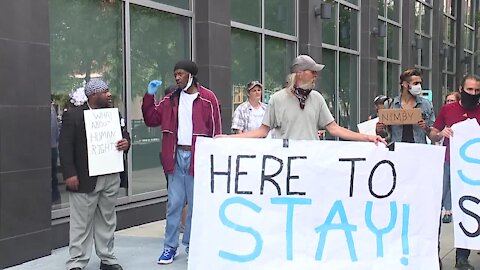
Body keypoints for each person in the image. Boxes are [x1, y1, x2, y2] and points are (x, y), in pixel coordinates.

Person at [142, 60, 222, 264]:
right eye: (175, 74)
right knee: (174, 204)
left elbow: (215, 130)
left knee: (197, 205)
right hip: (175, 156)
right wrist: (149, 96)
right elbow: (151, 119)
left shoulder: (208, 99)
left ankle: (191, 245)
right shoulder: (170, 100)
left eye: (180, 74)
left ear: (191, 76)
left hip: (198, 157)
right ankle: (169, 247)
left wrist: (214, 158)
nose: (177, 78)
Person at [220, 54, 384, 143]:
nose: (315, 75)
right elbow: (262, 131)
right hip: (286, 163)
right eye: (312, 71)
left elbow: (334, 129)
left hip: (310, 163)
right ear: (299, 73)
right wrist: (229, 138)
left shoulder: (317, 98)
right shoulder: (277, 99)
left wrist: (367, 137)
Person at [59, 79, 130, 270]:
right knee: (81, 223)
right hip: (84, 178)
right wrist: (70, 174)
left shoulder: (113, 114)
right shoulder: (73, 116)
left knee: (107, 220)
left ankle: (107, 259)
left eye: (108, 91)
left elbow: (125, 135)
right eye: (104, 91)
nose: (109, 94)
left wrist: (126, 143)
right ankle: (77, 262)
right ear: (93, 95)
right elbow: (65, 147)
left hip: (110, 176)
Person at [429, 74, 480, 270]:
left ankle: (462, 257)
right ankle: (434, 252)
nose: (473, 94)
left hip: (473, 170)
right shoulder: (448, 110)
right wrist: (441, 133)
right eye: (470, 90)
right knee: (436, 209)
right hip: (449, 164)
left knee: (469, 209)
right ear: (461, 89)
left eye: (477, 91)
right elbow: (433, 133)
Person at [376, 68, 435, 144]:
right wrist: (379, 130)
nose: (419, 86)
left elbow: (433, 133)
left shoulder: (426, 104)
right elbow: (385, 135)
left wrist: (426, 128)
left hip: (419, 150)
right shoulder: (391, 104)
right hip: (397, 150)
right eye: (415, 83)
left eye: (420, 83)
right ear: (405, 84)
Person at [440, 91, 461, 224]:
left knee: (453, 184)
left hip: (461, 157)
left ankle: (449, 210)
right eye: (447, 101)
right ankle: (444, 208)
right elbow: (435, 132)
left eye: (452, 101)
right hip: (447, 155)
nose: (449, 104)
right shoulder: (445, 115)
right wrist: (442, 132)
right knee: (445, 183)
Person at [51, 100, 61, 204]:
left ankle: (55, 198)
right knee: (53, 176)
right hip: (53, 146)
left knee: (52, 176)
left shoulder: (49, 109)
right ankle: (56, 197)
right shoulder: (52, 109)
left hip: (50, 147)